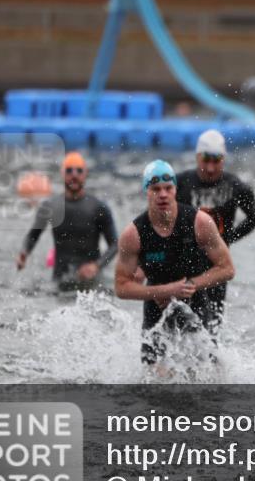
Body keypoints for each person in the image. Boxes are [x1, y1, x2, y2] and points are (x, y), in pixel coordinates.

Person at [115, 160, 235, 367]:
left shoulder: (199, 222)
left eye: (168, 188)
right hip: (156, 310)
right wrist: (166, 291)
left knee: (204, 373)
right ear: (146, 191)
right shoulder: (133, 234)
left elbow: (227, 269)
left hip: (195, 305)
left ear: (175, 189)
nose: (162, 194)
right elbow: (121, 287)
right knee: (154, 377)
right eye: (155, 189)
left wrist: (189, 286)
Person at [176, 129, 255, 319]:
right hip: (183, 262)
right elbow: (158, 218)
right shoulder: (180, 183)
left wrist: (228, 239)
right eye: (206, 160)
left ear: (224, 159)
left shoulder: (235, 185)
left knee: (213, 323)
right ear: (197, 157)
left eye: (216, 161)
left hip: (217, 265)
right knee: (177, 320)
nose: (211, 168)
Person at [16, 152, 118, 291]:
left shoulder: (99, 208)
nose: (74, 175)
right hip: (59, 282)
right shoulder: (50, 206)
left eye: (79, 170)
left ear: (85, 173)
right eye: (69, 170)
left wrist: (96, 266)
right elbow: (33, 235)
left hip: (91, 285)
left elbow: (115, 244)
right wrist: (24, 252)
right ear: (62, 173)